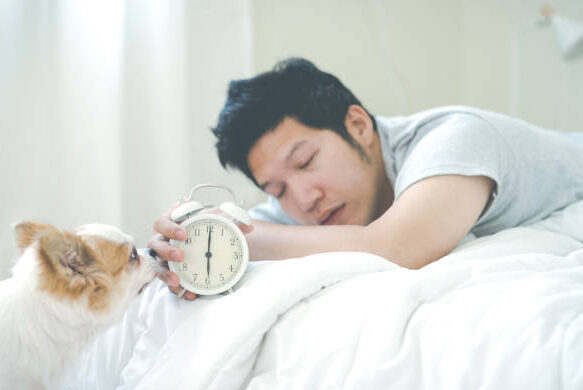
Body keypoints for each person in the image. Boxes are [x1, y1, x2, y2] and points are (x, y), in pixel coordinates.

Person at [148, 57, 583, 301]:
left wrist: (238, 239)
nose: (304, 199)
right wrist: (184, 236)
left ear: (358, 125)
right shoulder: (297, 202)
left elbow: (396, 247)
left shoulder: (457, 137)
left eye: (305, 162)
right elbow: (249, 225)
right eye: (276, 190)